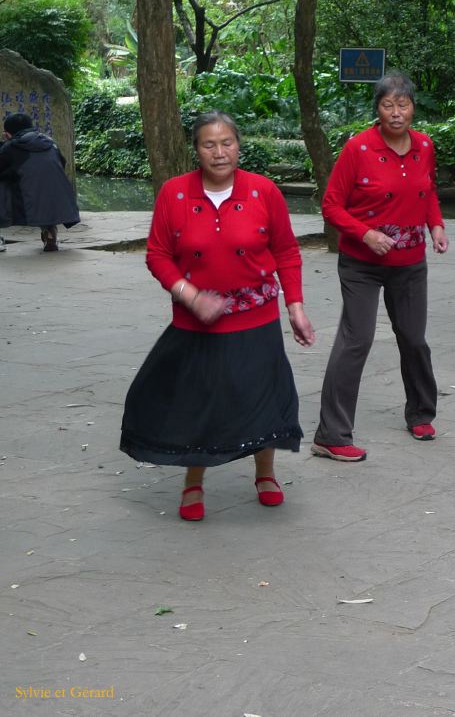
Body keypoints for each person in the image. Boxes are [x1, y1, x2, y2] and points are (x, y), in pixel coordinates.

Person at [120, 112, 315, 521]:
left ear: (239, 146)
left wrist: (295, 306)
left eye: (227, 142)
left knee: (261, 399)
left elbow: (286, 251)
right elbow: (157, 254)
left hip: (257, 319)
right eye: (209, 144)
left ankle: (265, 474)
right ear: (196, 150)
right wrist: (189, 295)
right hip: (197, 322)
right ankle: (194, 481)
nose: (219, 152)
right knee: (199, 401)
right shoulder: (174, 194)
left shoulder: (263, 192)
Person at [312, 71, 449, 462]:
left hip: (410, 264)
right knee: (356, 340)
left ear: (412, 108)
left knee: (414, 339)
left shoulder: (424, 145)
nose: (395, 112)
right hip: (362, 265)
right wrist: (366, 234)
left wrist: (435, 225)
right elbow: (331, 205)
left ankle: (421, 413)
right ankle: (331, 434)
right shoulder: (358, 149)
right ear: (377, 109)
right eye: (387, 105)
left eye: (402, 104)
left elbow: (428, 191)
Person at [0, 112, 80, 252]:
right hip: (61, 203)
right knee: (42, 183)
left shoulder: (11, 147)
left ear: (7, 133)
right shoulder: (49, 142)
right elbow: (61, 163)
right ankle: (49, 233)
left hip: (29, 202)